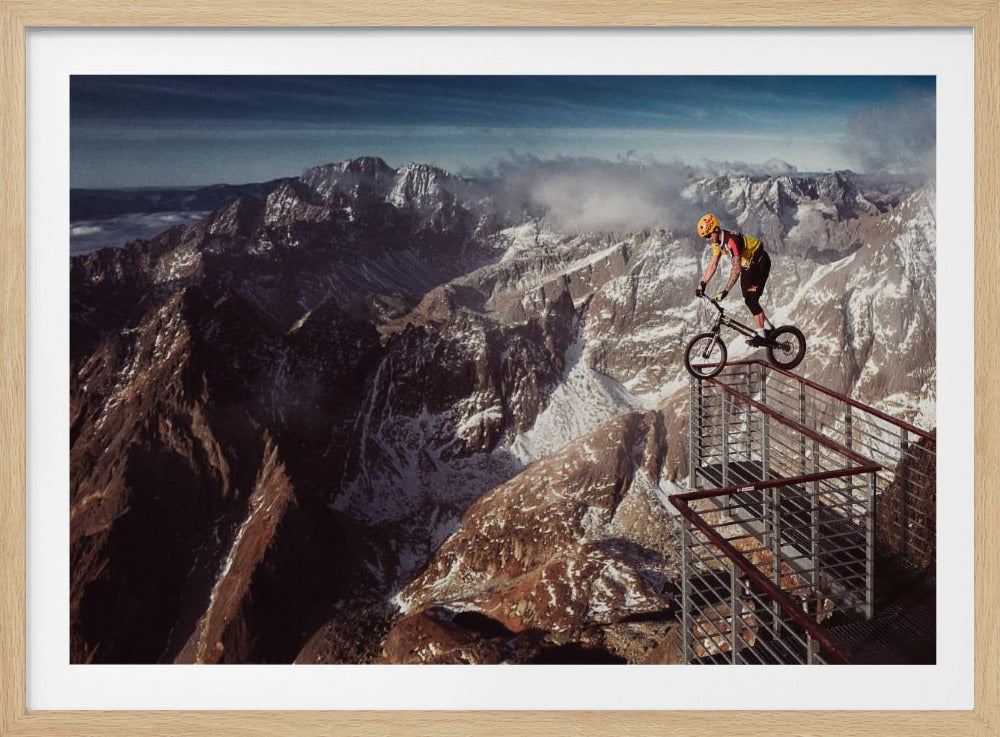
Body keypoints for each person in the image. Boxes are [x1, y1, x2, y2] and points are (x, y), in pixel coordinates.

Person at [694, 213, 775, 346]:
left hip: (760, 263)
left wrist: (725, 291)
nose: (708, 239)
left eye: (708, 235)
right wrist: (703, 284)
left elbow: (736, 269)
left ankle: (762, 336)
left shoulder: (732, 241)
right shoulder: (717, 242)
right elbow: (713, 264)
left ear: (715, 229)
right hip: (747, 266)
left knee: (751, 299)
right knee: (747, 298)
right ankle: (768, 328)